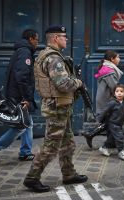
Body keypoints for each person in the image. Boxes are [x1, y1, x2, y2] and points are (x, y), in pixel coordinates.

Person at [23, 25, 88, 193]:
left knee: (68, 142)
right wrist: (79, 83)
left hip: (61, 106)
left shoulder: (49, 55)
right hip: (57, 107)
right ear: (55, 38)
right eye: (63, 36)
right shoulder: (53, 59)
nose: (66, 39)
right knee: (51, 145)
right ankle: (32, 177)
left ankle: (69, 174)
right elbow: (64, 83)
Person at [0, 29, 39, 163]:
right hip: (18, 95)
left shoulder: (21, 51)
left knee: (27, 123)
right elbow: (21, 76)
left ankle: (25, 152)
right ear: (31, 39)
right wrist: (26, 98)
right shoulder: (25, 53)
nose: (38, 43)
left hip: (15, 93)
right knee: (21, 125)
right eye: (37, 40)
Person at [83, 50, 123, 148]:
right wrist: (123, 94)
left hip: (105, 98)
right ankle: (94, 136)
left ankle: (104, 140)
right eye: (118, 57)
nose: (119, 59)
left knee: (110, 121)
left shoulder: (107, 68)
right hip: (107, 100)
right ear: (112, 59)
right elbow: (114, 87)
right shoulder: (109, 71)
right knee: (112, 121)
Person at [97, 84, 124, 160]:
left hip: (119, 123)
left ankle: (104, 147)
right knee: (119, 136)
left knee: (112, 138)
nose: (119, 93)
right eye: (117, 91)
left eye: (121, 91)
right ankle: (121, 151)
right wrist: (99, 119)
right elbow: (104, 111)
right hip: (113, 123)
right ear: (114, 93)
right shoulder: (112, 103)